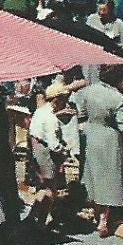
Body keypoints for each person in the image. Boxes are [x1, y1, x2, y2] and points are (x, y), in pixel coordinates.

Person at [79, 65, 123, 237]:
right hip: (109, 138)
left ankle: (96, 213)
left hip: (90, 134)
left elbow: (81, 113)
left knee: (93, 175)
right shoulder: (117, 98)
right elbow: (122, 125)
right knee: (108, 178)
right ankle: (103, 219)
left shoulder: (87, 91)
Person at [27, 83, 73, 227]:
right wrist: (65, 150)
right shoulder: (50, 118)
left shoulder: (40, 111)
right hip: (45, 153)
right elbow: (53, 144)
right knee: (49, 189)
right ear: (56, 100)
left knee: (43, 187)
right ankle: (40, 223)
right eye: (64, 100)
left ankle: (32, 217)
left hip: (35, 151)